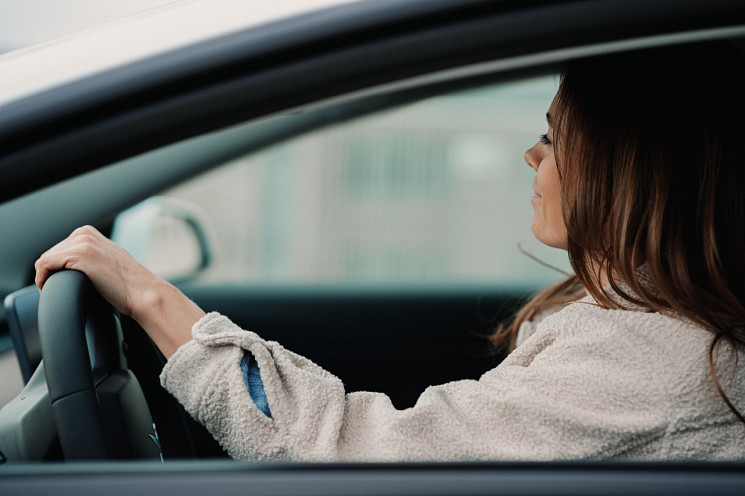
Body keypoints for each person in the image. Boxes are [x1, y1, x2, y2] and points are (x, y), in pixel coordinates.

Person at [35, 40, 745, 461]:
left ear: (634, 169)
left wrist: (150, 297)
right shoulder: (648, 329)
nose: (532, 156)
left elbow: (348, 454)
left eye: (557, 137)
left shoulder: (659, 357)